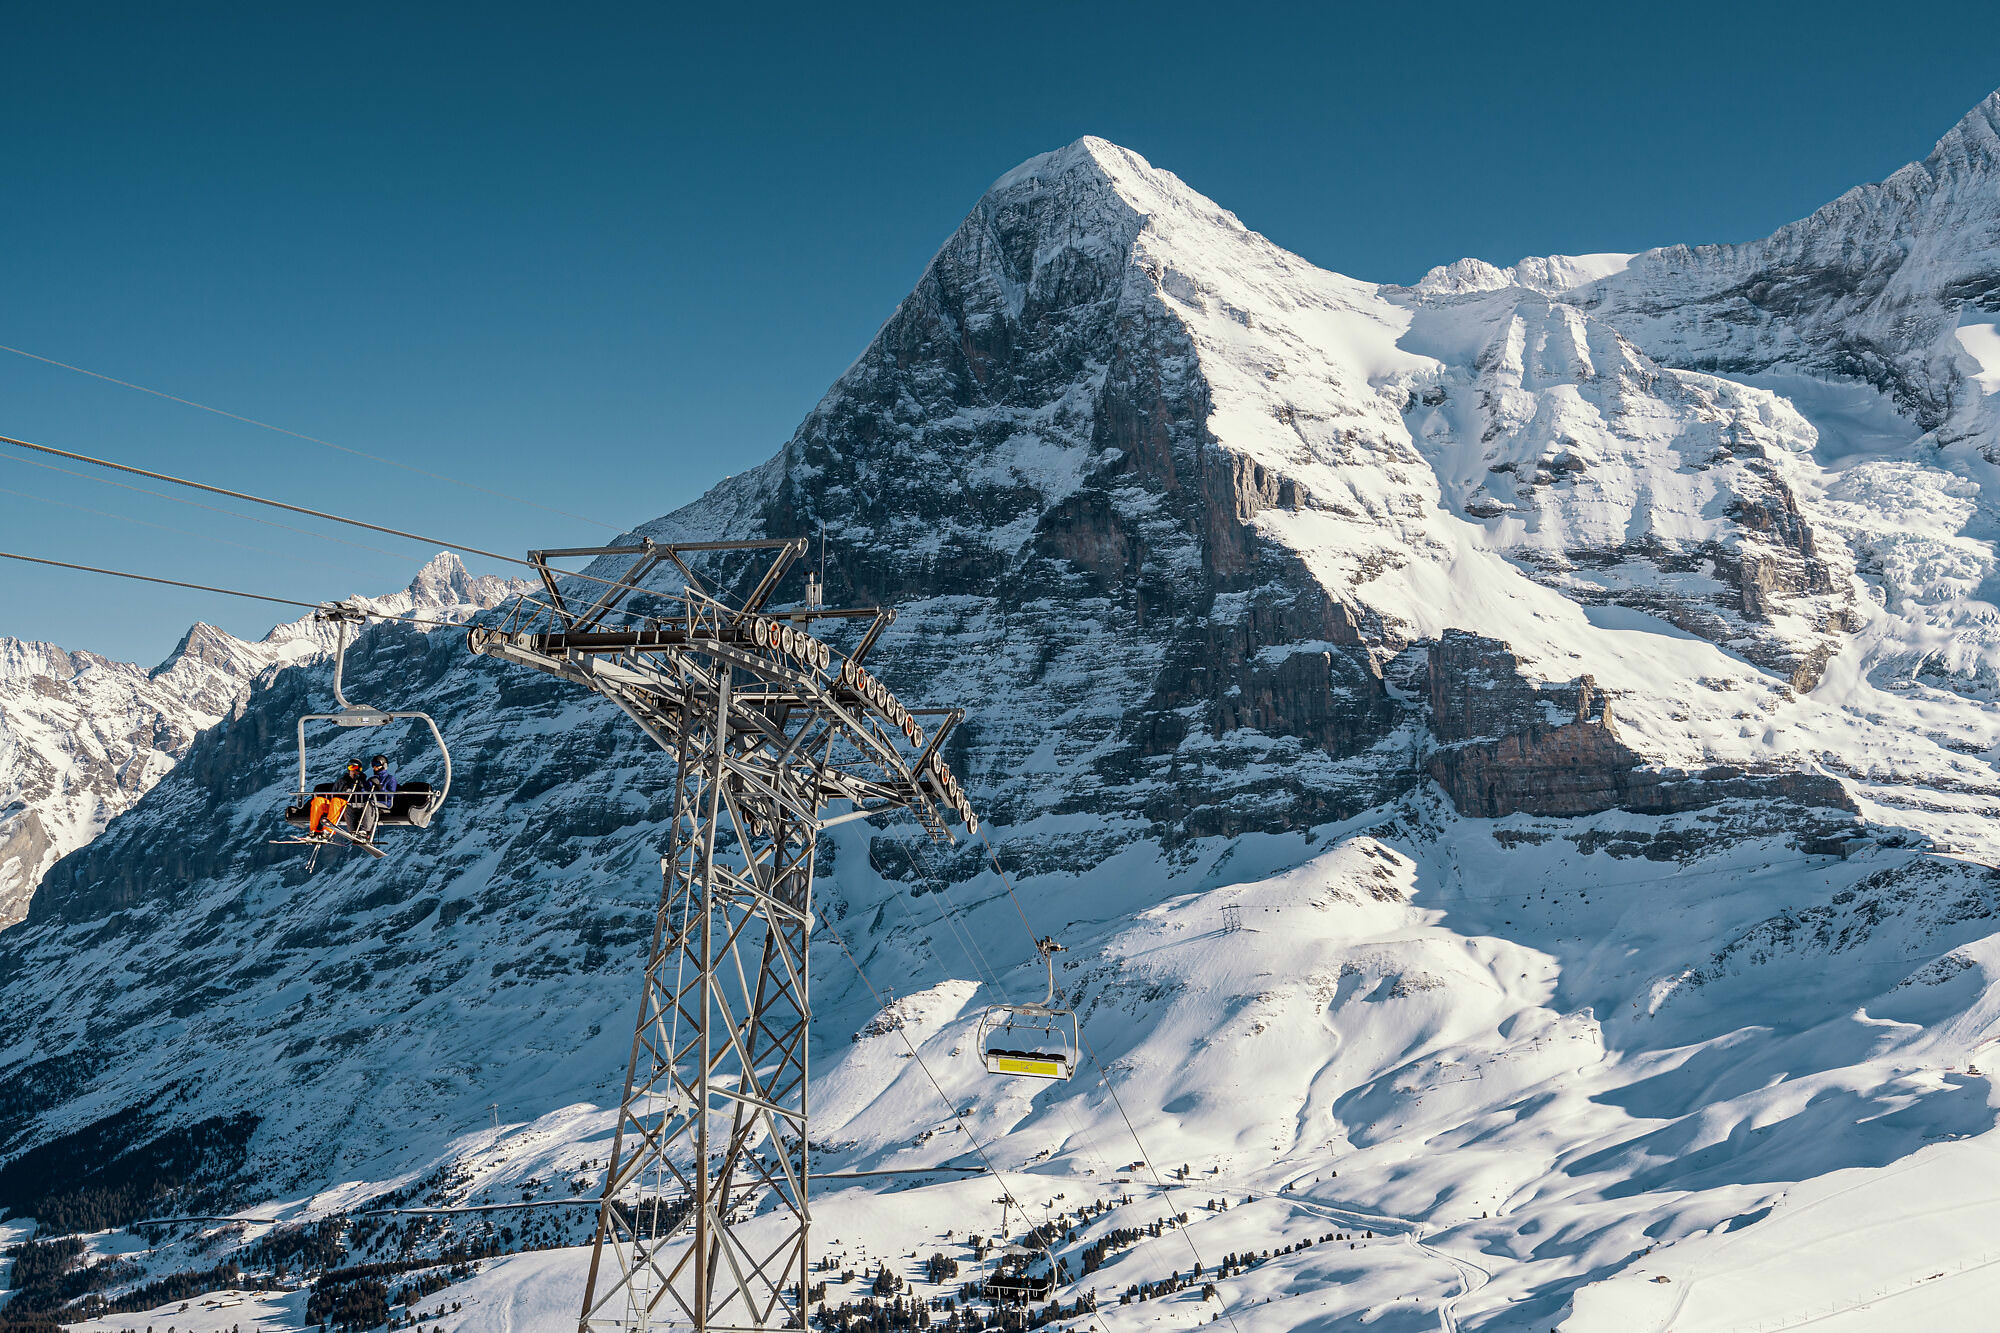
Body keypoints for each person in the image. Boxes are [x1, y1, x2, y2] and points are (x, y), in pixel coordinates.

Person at [307, 760, 369, 837]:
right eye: (352, 767)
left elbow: (364, 796)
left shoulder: (362, 782)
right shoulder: (341, 781)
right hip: (335, 805)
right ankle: (314, 830)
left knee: (336, 801)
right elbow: (333, 793)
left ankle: (328, 831)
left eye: (357, 768)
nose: (354, 770)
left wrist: (358, 783)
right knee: (318, 801)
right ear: (348, 769)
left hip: (349, 806)